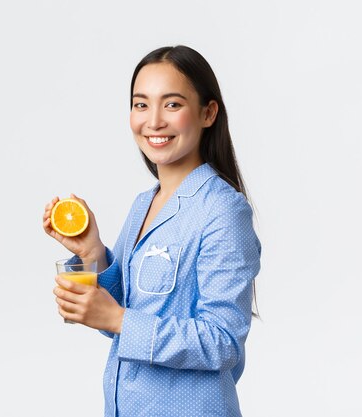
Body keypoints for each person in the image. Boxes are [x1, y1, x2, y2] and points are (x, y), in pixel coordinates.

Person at [42, 45, 261, 417]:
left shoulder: (223, 211)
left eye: (172, 105)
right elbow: (126, 319)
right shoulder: (145, 203)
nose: (154, 121)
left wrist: (116, 319)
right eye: (141, 104)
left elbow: (222, 342)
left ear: (208, 113)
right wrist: (92, 252)